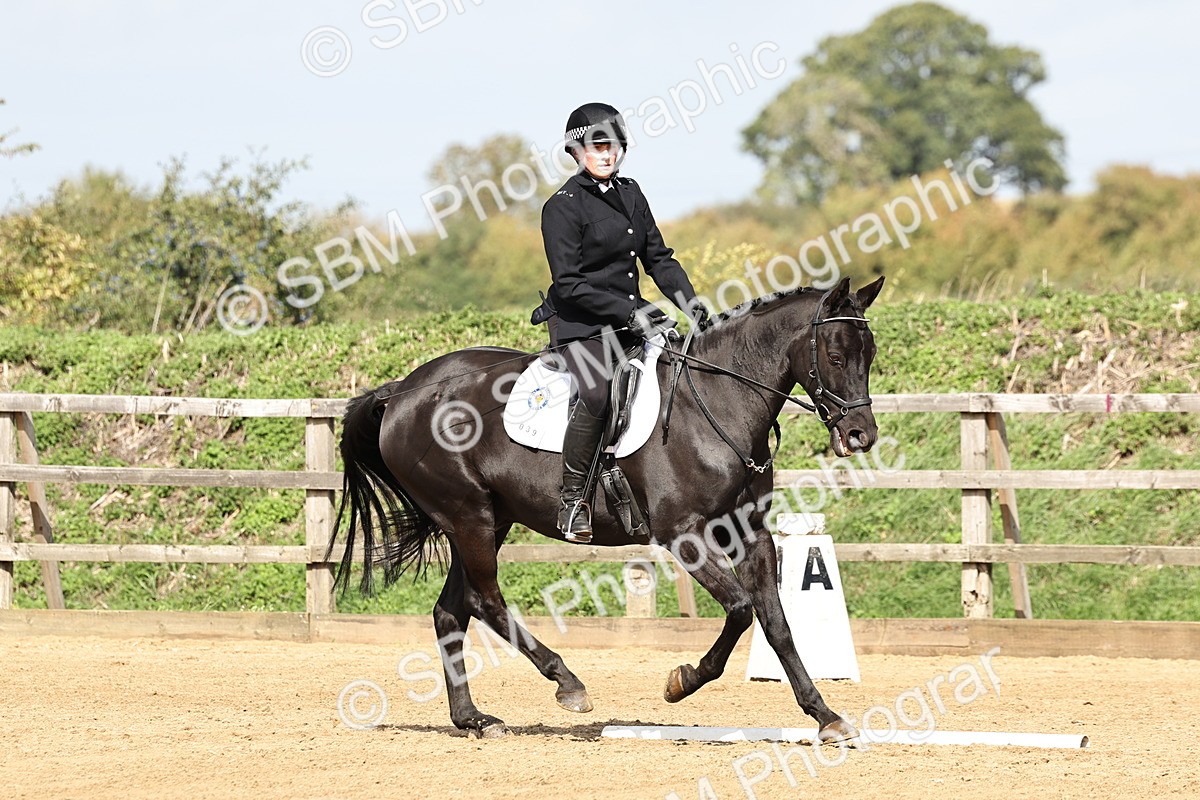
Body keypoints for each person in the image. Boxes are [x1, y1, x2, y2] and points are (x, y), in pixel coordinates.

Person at [532, 102, 708, 543]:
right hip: (581, 325)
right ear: (577, 151)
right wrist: (630, 312)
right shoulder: (562, 207)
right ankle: (573, 501)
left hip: (629, 320)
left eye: (614, 146)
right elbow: (569, 284)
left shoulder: (631, 194)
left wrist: (693, 306)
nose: (607, 154)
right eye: (597, 146)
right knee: (596, 389)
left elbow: (659, 260)